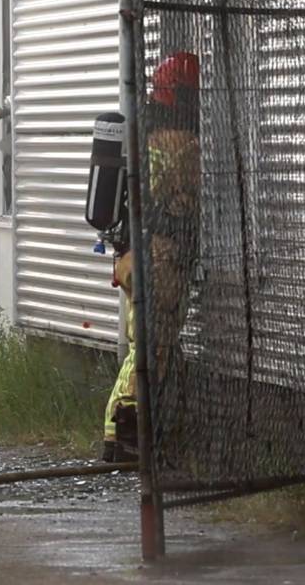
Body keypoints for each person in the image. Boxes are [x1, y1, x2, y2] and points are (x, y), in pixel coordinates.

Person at [101, 51, 201, 463]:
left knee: (141, 345)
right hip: (160, 256)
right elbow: (188, 203)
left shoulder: (140, 134)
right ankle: (129, 437)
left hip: (131, 252)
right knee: (151, 348)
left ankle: (117, 437)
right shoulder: (182, 144)